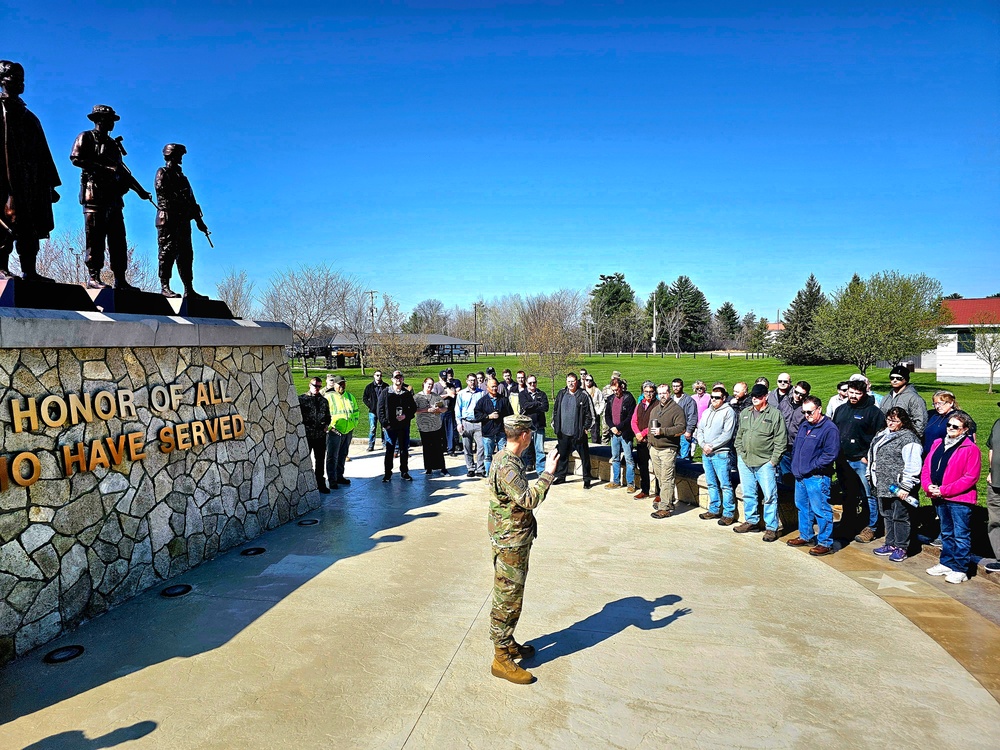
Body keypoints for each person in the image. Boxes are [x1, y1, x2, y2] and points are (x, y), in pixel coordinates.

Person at [488, 414, 559, 685]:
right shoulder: (507, 465)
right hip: (510, 542)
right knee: (507, 597)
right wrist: (548, 474)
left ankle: (507, 644)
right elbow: (528, 499)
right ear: (525, 436)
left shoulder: (504, 458)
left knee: (512, 595)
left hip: (513, 537)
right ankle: (500, 658)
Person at [70, 105, 151, 290]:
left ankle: (120, 279)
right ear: (99, 120)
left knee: (118, 240)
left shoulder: (113, 145)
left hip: (113, 198)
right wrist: (104, 168)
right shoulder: (86, 137)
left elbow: (122, 172)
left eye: (113, 120)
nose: (112, 123)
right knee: (95, 237)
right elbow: (76, 159)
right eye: (109, 120)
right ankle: (94, 276)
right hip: (94, 195)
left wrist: (140, 191)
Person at [0, 60, 60, 282]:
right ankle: (1, 267)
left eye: (21, 79)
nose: (18, 83)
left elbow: (43, 153)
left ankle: (30, 271)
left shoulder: (29, 117)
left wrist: (49, 185)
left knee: (30, 226)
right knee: (5, 223)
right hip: (5, 180)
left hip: (30, 181)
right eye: (13, 78)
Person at [922, 411, 981, 584]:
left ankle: (960, 568)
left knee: (960, 534)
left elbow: (971, 477)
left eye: (956, 426)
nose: (951, 429)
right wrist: (928, 486)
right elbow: (927, 467)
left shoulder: (971, 449)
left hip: (959, 499)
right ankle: (946, 562)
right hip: (939, 496)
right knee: (946, 532)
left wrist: (945, 490)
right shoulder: (937, 443)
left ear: (965, 430)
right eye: (949, 425)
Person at [833, 380, 887, 544]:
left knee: (869, 495)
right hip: (843, 460)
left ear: (864, 394)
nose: (854, 396)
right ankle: (848, 523)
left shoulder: (873, 412)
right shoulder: (841, 409)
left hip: (862, 461)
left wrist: (867, 456)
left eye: (858, 393)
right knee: (848, 494)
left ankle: (872, 527)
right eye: (851, 392)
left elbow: (880, 437)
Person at [866, 407, 922, 562]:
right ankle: (890, 543)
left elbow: (913, 464)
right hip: (882, 484)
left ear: (903, 422)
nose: (890, 423)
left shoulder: (909, 439)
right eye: (889, 419)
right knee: (887, 515)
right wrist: (869, 473)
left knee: (900, 517)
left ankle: (901, 547)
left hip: (899, 487)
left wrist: (906, 486)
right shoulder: (882, 434)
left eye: (895, 420)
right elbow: (873, 455)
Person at [787, 395, 840, 556]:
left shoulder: (829, 428)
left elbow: (830, 454)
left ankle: (825, 542)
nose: (807, 415)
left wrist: (811, 467)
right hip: (801, 476)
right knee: (803, 507)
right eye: (804, 412)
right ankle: (806, 535)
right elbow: (797, 447)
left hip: (817, 476)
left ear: (819, 409)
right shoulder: (805, 425)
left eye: (810, 412)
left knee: (821, 509)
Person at [733, 383, 787, 541]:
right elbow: (739, 435)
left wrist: (773, 461)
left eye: (759, 396)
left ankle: (771, 527)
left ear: (766, 397)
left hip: (765, 462)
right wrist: (740, 452)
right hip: (745, 460)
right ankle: (751, 521)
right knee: (749, 493)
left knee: (770, 495)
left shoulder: (775, 415)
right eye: (753, 396)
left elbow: (781, 440)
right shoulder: (745, 413)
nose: (755, 399)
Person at [153, 143, 208, 298]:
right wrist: (182, 205)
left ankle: (188, 289)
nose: (181, 158)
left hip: (183, 221)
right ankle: (165, 286)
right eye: (179, 155)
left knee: (186, 255)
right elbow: (164, 195)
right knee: (167, 252)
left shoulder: (183, 178)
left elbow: (192, 200)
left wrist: (199, 221)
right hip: (169, 220)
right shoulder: (162, 172)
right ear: (171, 155)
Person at [696, 386, 737, 524]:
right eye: (712, 397)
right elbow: (700, 429)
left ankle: (728, 513)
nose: (714, 399)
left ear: (724, 398)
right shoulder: (707, 412)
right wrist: (703, 445)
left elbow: (727, 434)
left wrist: (712, 446)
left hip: (721, 454)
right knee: (711, 483)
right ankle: (714, 509)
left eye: (717, 397)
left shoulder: (728, 412)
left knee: (725, 484)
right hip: (706, 453)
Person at [648, 383, 686, 519]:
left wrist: (662, 431)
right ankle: (668, 502)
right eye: (660, 393)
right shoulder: (655, 409)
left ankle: (664, 507)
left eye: (664, 393)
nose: (662, 396)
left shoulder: (676, 410)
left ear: (669, 393)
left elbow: (681, 428)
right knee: (660, 478)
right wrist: (650, 444)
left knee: (667, 478)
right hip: (654, 449)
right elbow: (649, 428)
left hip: (668, 449)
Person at [551, 372, 594, 488]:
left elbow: (590, 415)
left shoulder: (583, 395)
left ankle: (587, 479)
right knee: (563, 456)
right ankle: (561, 476)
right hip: (563, 432)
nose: (571, 383)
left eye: (573, 381)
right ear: (566, 382)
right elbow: (555, 411)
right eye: (569, 381)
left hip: (578, 433)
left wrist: (586, 428)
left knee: (584, 457)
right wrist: (555, 425)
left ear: (577, 382)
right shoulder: (561, 394)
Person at [377, 370, 416, 482]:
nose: (398, 380)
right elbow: (380, 409)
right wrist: (385, 423)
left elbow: (413, 408)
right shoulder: (385, 392)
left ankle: (404, 472)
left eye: (400, 378)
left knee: (404, 450)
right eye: (396, 378)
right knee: (390, 450)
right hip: (390, 427)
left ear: (403, 379)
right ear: (392, 379)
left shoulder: (406, 393)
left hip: (403, 426)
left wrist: (405, 416)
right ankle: (387, 473)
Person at [298, 377, 331, 493]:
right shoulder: (302, 399)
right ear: (309, 385)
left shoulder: (323, 401)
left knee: (320, 460)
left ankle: (320, 484)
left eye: (319, 386)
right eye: (315, 385)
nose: (316, 388)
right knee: (304, 460)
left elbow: (328, 416)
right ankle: (303, 484)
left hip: (320, 436)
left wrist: (326, 424)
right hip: (307, 435)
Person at [325, 375, 358, 489]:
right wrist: (330, 427)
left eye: (343, 384)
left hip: (347, 431)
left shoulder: (350, 396)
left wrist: (353, 425)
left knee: (342, 454)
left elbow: (356, 412)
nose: (342, 386)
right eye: (340, 384)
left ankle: (340, 476)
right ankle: (332, 479)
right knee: (332, 456)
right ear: (334, 385)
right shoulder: (329, 397)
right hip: (335, 431)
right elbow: (325, 415)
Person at [603, 377, 636, 491]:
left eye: (616, 390)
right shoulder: (611, 399)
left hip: (625, 433)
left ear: (621, 387)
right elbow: (607, 415)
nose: (615, 392)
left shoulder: (629, 398)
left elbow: (630, 417)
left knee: (628, 458)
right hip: (614, 434)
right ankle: (616, 481)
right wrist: (612, 427)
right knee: (615, 458)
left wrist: (619, 428)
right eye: (613, 390)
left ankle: (630, 484)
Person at [475, 378, 514, 474]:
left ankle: (502, 476)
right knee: (488, 455)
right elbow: (477, 415)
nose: (494, 388)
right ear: (487, 388)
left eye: (496, 386)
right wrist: (488, 416)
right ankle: (489, 475)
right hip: (488, 432)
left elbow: (510, 415)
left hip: (501, 432)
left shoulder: (504, 400)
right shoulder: (482, 401)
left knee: (503, 456)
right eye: (492, 386)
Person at [415, 377, 449, 476]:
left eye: (431, 384)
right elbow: (414, 410)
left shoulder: (436, 396)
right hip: (424, 426)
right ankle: (428, 468)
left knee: (438, 447)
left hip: (436, 425)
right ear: (424, 384)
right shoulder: (417, 397)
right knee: (427, 448)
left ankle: (442, 468)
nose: (430, 386)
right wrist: (426, 410)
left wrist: (439, 409)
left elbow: (444, 408)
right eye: (428, 384)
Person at [880, 365, 927, 438]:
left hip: (905, 438)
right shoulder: (886, 398)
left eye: (899, 378)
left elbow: (920, 421)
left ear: (906, 380)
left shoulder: (914, 398)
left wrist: (913, 438)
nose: (894, 380)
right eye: (892, 378)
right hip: (887, 437)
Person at [631, 381, 659, 501]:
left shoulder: (658, 405)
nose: (648, 394)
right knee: (643, 467)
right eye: (646, 391)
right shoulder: (640, 405)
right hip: (641, 442)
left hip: (653, 441)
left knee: (657, 468)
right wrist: (637, 433)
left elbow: (655, 423)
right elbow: (633, 421)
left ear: (654, 392)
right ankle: (645, 490)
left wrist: (642, 433)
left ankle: (659, 493)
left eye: (651, 391)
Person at [777, 381, 810, 479]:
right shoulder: (784, 402)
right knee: (783, 475)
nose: (798, 396)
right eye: (796, 392)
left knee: (798, 474)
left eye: (802, 395)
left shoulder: (807, 408)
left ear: (807, 394)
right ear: (794, 389)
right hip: (782, 444)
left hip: (797, 446)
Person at [456, 372, 486, 477]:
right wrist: (459, 423)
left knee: (481, 446)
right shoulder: (461, 394)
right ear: (467, 381)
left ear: (477, 381)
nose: (472, 382)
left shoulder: (482, 393)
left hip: (478, 423)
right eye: (470, 380)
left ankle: (480, 468)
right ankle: (470, 468)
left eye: (474, 380)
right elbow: (457, 409)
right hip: (466, 422)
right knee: (467, 447)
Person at [518, 374, 549, 473]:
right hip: (526, 427)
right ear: (526, 383)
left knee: (539, 450)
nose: (532, 384)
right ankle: (522, 470)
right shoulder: (522, 394)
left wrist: (532, 406)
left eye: (534, 382)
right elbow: (525, 406)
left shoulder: (542, 394)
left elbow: (545, 407)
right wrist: (536, 403)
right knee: (524, 450)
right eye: (530, 383)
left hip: (539, 426)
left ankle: (541, 472)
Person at [986, 406, 1000, 574]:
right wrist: (991, 471)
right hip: (995, 481)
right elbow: (992, 449)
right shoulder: (997, 424)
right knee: (995, 520)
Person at [671, 379, 698, 461]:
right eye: (674, 386)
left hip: (684, 431)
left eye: (677, 386)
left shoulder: (689, 400)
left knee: (684, 455)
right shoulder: (670, 399)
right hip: (672, 431)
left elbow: (692, 416)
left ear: (682, 386)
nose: (675, 388)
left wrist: (689, 431)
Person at [362, 370, 388, 452]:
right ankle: (371, 445)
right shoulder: (369, 387)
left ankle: (385, 444)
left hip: (383, 411)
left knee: (384, 428)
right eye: (377, 375)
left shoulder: (386, 386)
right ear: (374, 376)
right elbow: (364, 398)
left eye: (380, 375)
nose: (379, 377)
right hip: (373, 411)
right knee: (372, 428)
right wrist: (371, 406)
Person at [583, 373, 605, 444]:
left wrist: (598, 412)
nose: (588, 382)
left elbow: (602, 402)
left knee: (595, 435)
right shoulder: (581, 391)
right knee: (582, 435)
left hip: (594, 415)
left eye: (590, 380)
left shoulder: (597, 391)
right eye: (587, 380)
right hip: (584, 416)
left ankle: (596, 451)